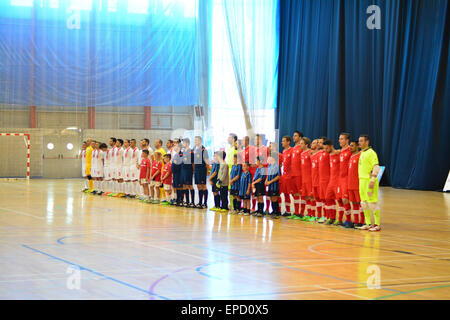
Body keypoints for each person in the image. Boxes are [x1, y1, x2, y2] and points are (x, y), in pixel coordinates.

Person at [357, 134, 381, 231]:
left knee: (372, 203)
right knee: (363, 203)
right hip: (361, 181)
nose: (359, 143)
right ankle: (367, 223)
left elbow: (376, 166)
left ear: (367, 142)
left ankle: (377, 224)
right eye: (359, 141)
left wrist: (373, 179)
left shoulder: (371, 153)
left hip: (369, 181)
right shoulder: (362, 153)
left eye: (361, 141)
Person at [337, 133, 353, 227]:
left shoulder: (350, 150)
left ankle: (349, 220)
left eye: (342, 139)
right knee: (339, 200)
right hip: (339, 178)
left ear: (347, 141)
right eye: (339, 139)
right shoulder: (339, 151)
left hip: (346, 179)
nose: (339, 140)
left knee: (345, 200)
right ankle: (340, 220)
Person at [347, 140, 364, 228]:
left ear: (357, 146)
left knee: (360, 203)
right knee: (354, 204)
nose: (350, 147)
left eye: (352, 146)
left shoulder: (360, 156)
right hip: (350, 185)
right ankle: (356, 221)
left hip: (357, 185)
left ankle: (363, 221)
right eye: (350, 145)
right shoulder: (351, 156)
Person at [323, 139, 340, 225]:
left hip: (338, 181)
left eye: (326, 148)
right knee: (328, 198)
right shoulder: (329, 155)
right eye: (324, 149)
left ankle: (340, 219)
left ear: (331, 146)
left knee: (340, 201)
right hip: (331, 181)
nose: (325, 150)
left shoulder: (338, 154)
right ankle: (331, 217)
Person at [290, 131, 304, 219]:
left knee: (301, 193)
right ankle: (295, 212)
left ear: (300, 137)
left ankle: (301, 213)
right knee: (294, 194)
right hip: (293, 174)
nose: (293, 137)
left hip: (300, 174)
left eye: (295, 136)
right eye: (293, 136)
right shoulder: (293, 148)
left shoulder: (301, 147)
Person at [300, 137, 315, 221]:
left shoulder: (310, 152)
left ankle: (313, 214)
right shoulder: (301, 153)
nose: (300, 145)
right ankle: (309, 214)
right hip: (304, 178)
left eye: (302, 143)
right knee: (306, 197)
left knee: (311, 196)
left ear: (306, 145)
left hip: (309, 178)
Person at [193, 136, 209, 209]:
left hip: (202, 169)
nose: (195, 141)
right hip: (196, 169)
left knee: (203, 185)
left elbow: (207, 161)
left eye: (197, 140)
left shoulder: (203, 150)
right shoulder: (194, 149)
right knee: (198, 185)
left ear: (200, 141)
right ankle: (200, 202)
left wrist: (207, 170)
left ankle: (205, 203)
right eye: (195, 140)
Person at [317, 137, 330, 223]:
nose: (319, 144)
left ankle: (328, 216)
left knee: (327, 199)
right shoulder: (319, 153)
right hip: (320, 180)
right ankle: (324, 215)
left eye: (321, 142)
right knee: (322, 199)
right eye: (318, 142)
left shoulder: (328, 154)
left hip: (327, 180)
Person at [280, 136, 294, 216]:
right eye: (282, 141)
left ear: (288, 142)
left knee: (292, 193)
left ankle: (295, 211)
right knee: (285, 193)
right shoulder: (284, 151)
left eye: (284, 141)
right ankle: (287, 211)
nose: (282, 142)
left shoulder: (292, 150)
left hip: (290, 175)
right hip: (284, 175)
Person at [310, 139, 323, 221]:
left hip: (320, 180)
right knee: (316, 198)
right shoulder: (312, 155)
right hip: (313, 180)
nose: (317, 144)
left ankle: (324, 216)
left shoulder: (321, 154)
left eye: (319, 143)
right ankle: (317, 215)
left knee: (322, 199)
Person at [181, 138, 195, 207]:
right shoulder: (183, 151)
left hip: (188, 170)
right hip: (183, 170)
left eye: (184, 142)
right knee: (184, 185)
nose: (182, 144)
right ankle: (187, 201)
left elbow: (193, 162)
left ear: (187, 143)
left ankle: (192, 202)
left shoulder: (191, 151)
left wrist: (193, 171)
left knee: (189, 185)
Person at [171, 139, 184, 206]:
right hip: (175, 173)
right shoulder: (175, 154)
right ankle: (177, 198)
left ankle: (181, 199)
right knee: (176, 186)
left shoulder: (181, 154)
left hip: (179, 173)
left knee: (179, 186)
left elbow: (180, 164)